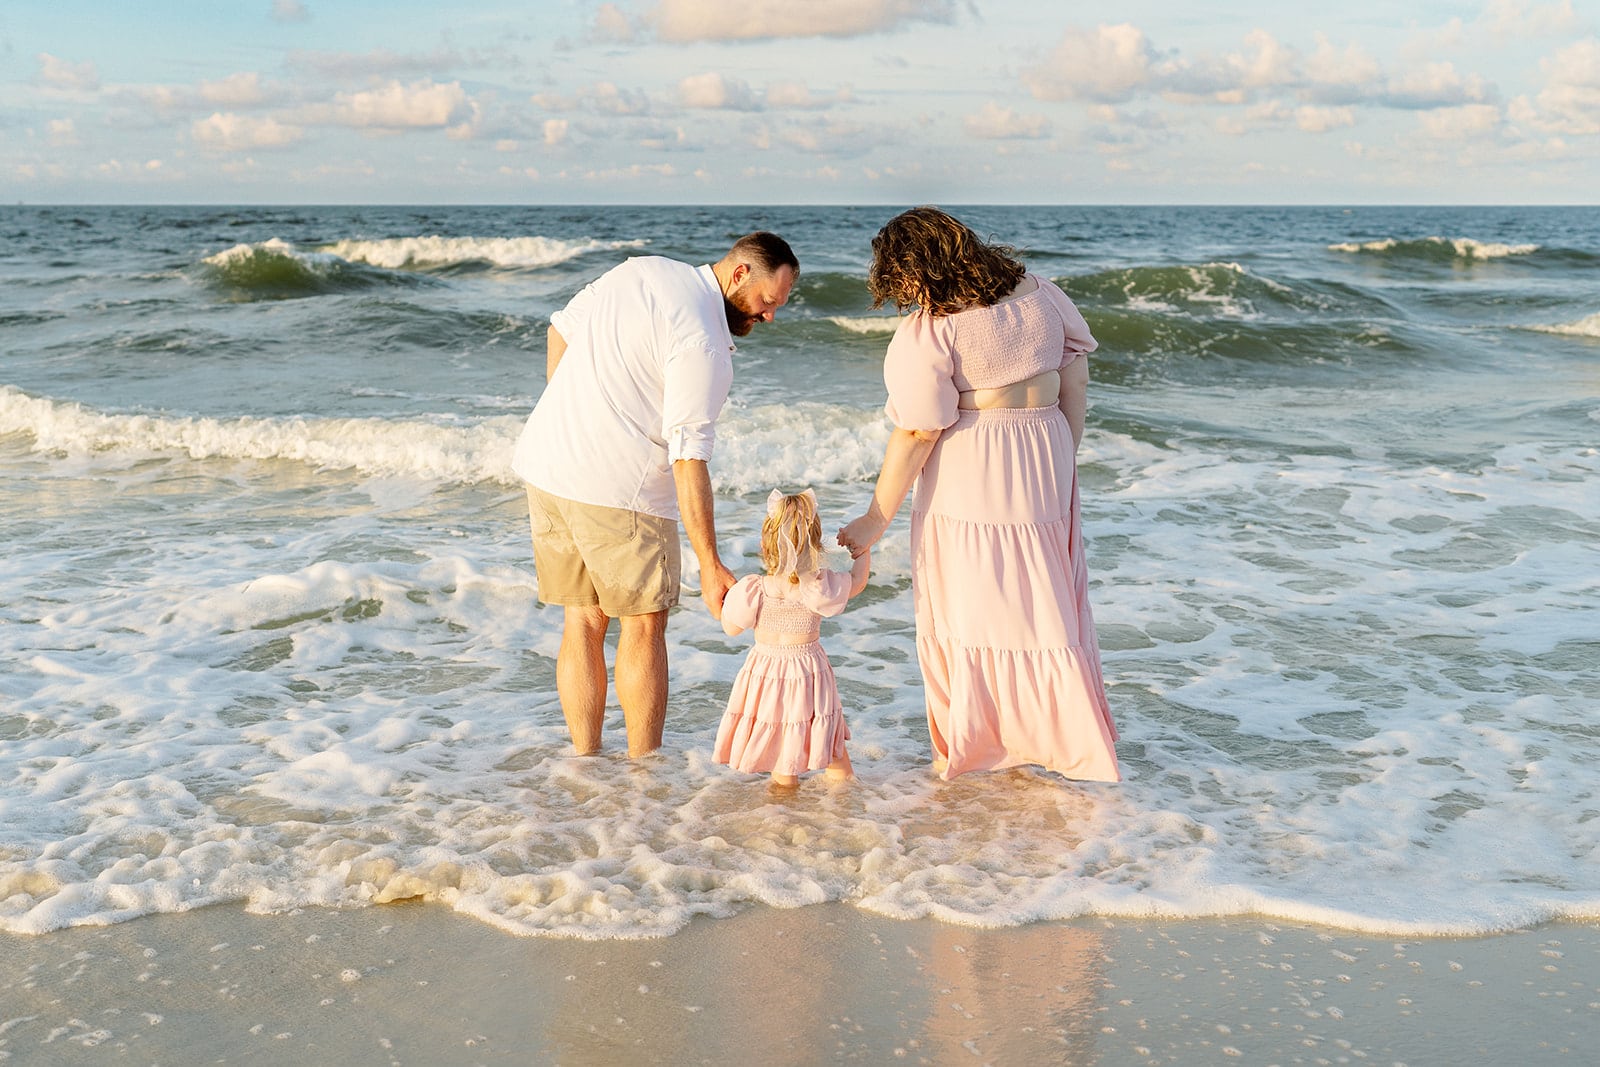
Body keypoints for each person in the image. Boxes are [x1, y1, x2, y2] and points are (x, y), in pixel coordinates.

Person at [837, 207, 1119, 782]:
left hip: (974, 463)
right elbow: (1076, 379)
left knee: (968, 604)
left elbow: (919, 430)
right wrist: (1063, 455)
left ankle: (974, 746)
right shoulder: (1043, 295)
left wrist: (874, 518)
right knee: (1044, 601)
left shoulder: (934, 328)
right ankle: (1061, 740)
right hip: (1045, 448)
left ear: (917, 269)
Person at [512, 232, 799, 758]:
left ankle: (586, 764)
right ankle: (644, 780)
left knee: (582, 619)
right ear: (739, 274)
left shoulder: (640, 271)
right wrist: (711, 564)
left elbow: (559, 330)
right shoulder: (704, 341)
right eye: (767, 301)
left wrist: (576, 418)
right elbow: (688, 456)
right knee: (643, 626)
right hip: (621, 490)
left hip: (550, 465)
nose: (769, 316)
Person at [713, 488, 869, 789]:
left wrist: (725, 599)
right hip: (807, 674)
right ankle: (847, 804)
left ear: (765, 544)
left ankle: (783, 818)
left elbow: (731, 628)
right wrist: (862, 550)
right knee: (832, 749)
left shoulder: (753, 590)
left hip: (766, 676)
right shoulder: (818, 587)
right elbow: (858, 583)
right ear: (816, 543)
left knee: (782, 756)